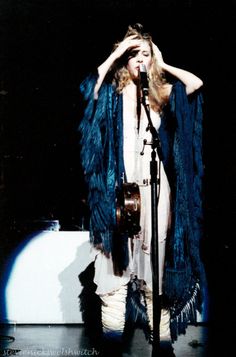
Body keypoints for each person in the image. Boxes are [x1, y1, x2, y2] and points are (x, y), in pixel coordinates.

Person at [78, 23, 206, 352]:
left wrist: (160, 64)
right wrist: (120, 52)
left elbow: (195, 83)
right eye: (133, 55)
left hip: (157, 195)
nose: (139, 60)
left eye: (144, 55)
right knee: (114, 275)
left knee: (156, 274)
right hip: (119, 194)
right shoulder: (112, 94)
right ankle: (111, 344)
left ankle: (161, 343)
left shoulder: (162, 95)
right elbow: (89, 88)